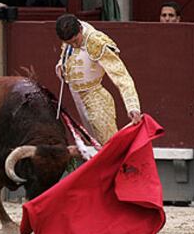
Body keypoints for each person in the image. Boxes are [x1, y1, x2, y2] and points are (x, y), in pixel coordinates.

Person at [55, 14, 141, 145]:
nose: (74, 45)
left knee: (109, 145)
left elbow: (121, 75)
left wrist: (132, 106)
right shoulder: (70, 33)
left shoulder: (97, 42)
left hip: (96, 98)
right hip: (76, 96)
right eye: (69, 43)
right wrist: (62, 65)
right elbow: (67, 55)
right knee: (92, 144)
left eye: (75, 41)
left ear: (80, 29)